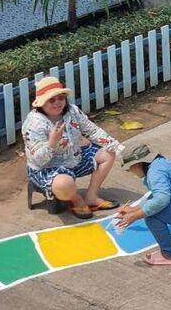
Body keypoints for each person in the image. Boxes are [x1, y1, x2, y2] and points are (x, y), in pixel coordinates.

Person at [22, 76, 119, 219]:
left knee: (108, 152)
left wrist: (113, 143)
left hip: (74, 158)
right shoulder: (33, 124)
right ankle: (76, 199)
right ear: (41, 102)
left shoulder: (72, 111)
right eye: (51, 100)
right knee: (64, 183)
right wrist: (51, 143)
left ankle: (91, 196)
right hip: (46, 169)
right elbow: (37, 160)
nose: (57, 102)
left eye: (61, 98)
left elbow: (91, 130)